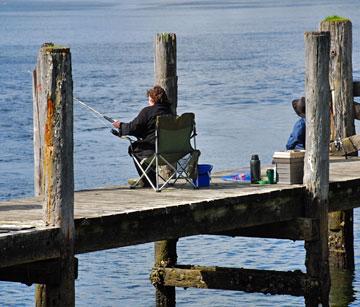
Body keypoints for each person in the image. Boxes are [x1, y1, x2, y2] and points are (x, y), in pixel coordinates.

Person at [112, 85, 172, 187]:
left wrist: (120, 125)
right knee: (143, 146)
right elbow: (148, 130)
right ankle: (149, 179)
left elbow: (133, 127)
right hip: (172, 152)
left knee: (134, 148)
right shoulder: (169, 112)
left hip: (154, 151)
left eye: (149, 99)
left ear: (153, 100)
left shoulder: (147, 111)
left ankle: (148, 181)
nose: (148, 102)